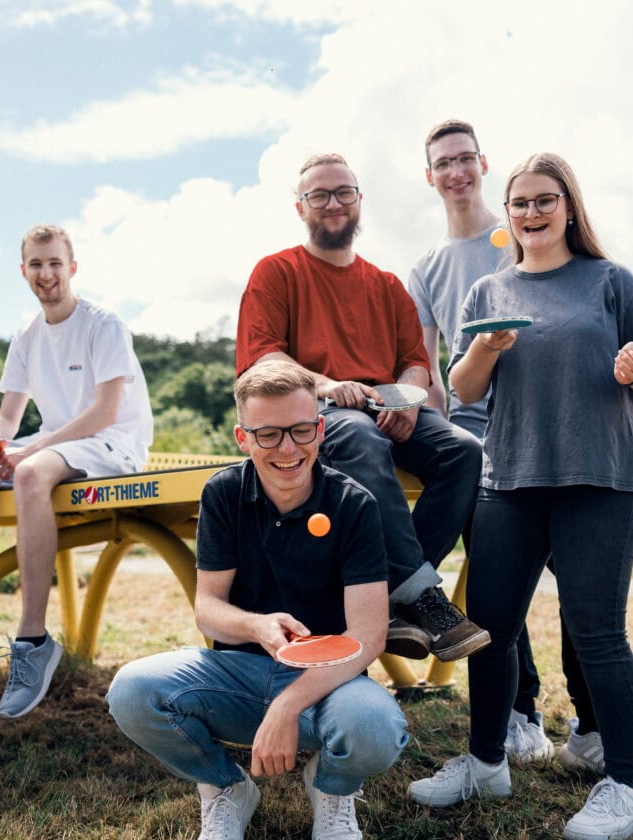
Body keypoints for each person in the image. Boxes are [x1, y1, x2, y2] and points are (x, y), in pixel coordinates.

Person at [409, 153, 633, 840]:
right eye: (520, 202)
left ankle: (626, 784)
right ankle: (486, 761)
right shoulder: (488, 293)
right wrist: (488, 348)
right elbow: (462, 389)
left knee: (598, 635)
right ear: (509, 213)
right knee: (489, 633)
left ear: (569, 206)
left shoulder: (610, 281)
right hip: (511, 483)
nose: (531, 212)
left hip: (600, 481)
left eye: (545, 200)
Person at [107, 359, 409, 840]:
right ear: (242, 437)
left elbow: (368, 636)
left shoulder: (354, 503)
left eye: (300, 431)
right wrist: (256, 626)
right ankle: (225, 786)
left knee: (374, 729)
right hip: (238, 673)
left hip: (328, 682)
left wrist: (287, 707)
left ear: (320, 429)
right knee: (131, 691)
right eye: (268, 435)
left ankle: (332, 789)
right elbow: (208, 608)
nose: (288, 449)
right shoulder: (224, 493)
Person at [236, 152, 488, 663]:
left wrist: (407, 399)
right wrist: (327, 386)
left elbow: (416, 364)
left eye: (343, 193)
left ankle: (393, 593)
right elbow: (262, 356)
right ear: (300, 206)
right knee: (358, 433)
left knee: (464, 451)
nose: (333, 203)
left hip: (384, 407)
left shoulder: (387, 285)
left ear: (358, 200)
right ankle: (421, 597)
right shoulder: (276, 272)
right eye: (319, 195)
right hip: (311, 412)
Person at [0, 224, 153, 720]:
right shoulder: (27, 335)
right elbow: (8, 416)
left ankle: (33, 639)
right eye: (36, 264)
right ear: (24, 271)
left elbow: (103, 412)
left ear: (71, 268)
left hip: (110, 444)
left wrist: (26, 454)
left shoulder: (104, 323)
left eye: (55, 263)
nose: (46, 273)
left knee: (30, 474)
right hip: (53, 441)